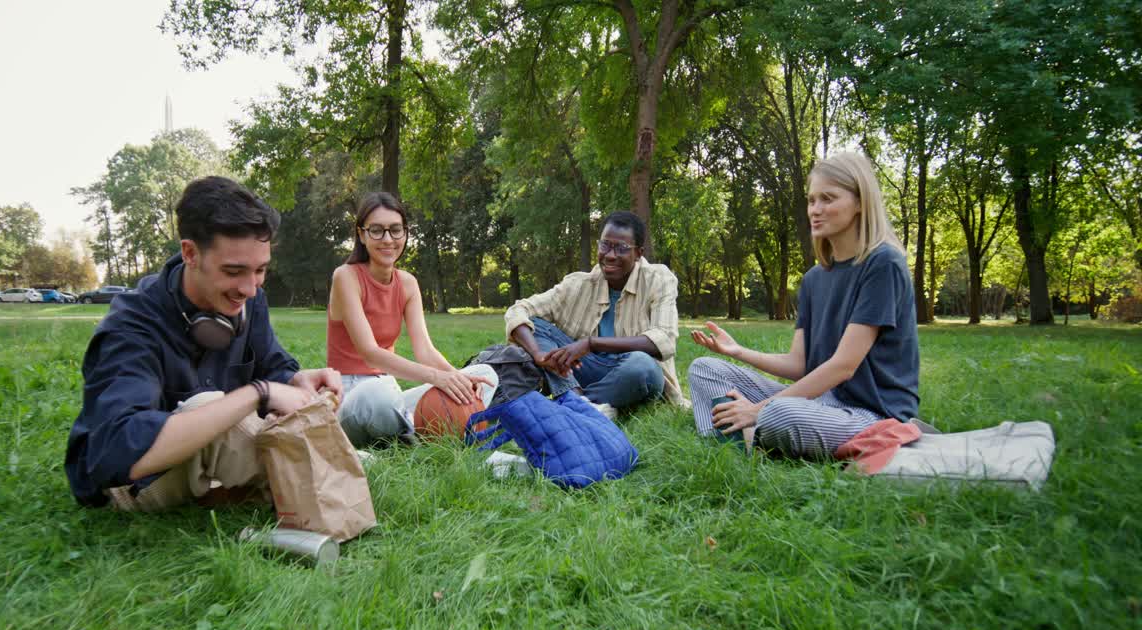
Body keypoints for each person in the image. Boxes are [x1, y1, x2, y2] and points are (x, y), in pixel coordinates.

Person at [65, 176, 343, 511]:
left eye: (260, 270)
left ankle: (286, 476)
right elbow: (114, 452)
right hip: (130, 483)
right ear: (190, 253)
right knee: (211, 407)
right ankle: (312, 476)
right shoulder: (132, 324)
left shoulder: (250, 301)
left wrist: (294, 381)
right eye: (233, 271)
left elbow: (273, 366)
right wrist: (258, 393)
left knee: (248, 412)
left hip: (210, 462)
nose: (249, 288)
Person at [687, 152, 919, 458]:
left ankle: (746, 433)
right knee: (704, 369)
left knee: (779, 414)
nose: (816, 210)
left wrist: (757, 409)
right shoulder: (813, 279)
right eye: (811, 200)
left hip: (872, 415)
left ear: (861, 202)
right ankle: (736, 444)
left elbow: (843, 366)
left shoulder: (883, 264)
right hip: (820, 402)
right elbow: (800, 365)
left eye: (828, 199)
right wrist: (738, 352)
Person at [327, 191, 496, 446]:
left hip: (390, 393)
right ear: (361, 234)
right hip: (352, 397)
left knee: (486, 374)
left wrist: (455, 377)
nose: (388, 239)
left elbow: (425, 350)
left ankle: (410, 432)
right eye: (376, 230)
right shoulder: (345, 276)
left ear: (405, 233)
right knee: (379, 392)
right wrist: (437, 378)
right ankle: (421, 438)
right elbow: (370, 353)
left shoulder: (407, 283)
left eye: (396, 230)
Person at [504, 211, 683, 413]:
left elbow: (664, 340)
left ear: (639, 253)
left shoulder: (658, 279)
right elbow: (519, 310)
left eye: (622, 248)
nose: (610, 255)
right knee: (535, 326)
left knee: (642, 366)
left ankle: (574, 403)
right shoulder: (578, 284)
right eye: (605, 244)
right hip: (583, 370)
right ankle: (580, 401)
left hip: (632, 373)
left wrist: (591, 343)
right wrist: (538, 354)